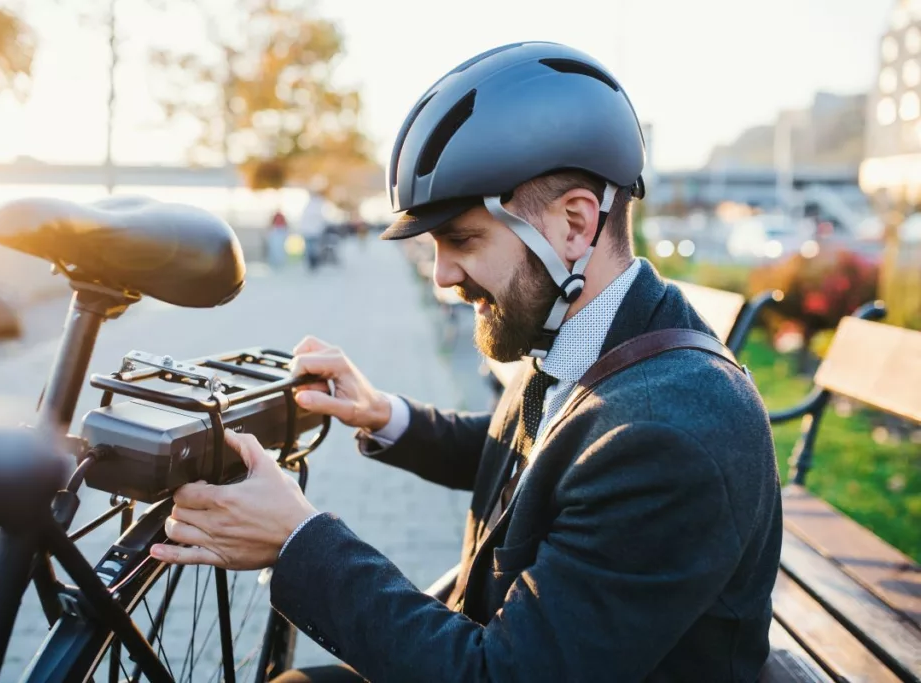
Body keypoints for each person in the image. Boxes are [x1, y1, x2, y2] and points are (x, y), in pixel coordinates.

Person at [151, 41, 782, 682]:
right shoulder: (594, 336)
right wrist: (384, 414)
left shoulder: (669, 433)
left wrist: (298, 540)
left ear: (574, 225)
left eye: (462, 240)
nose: (442, 277)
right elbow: (538, 459)